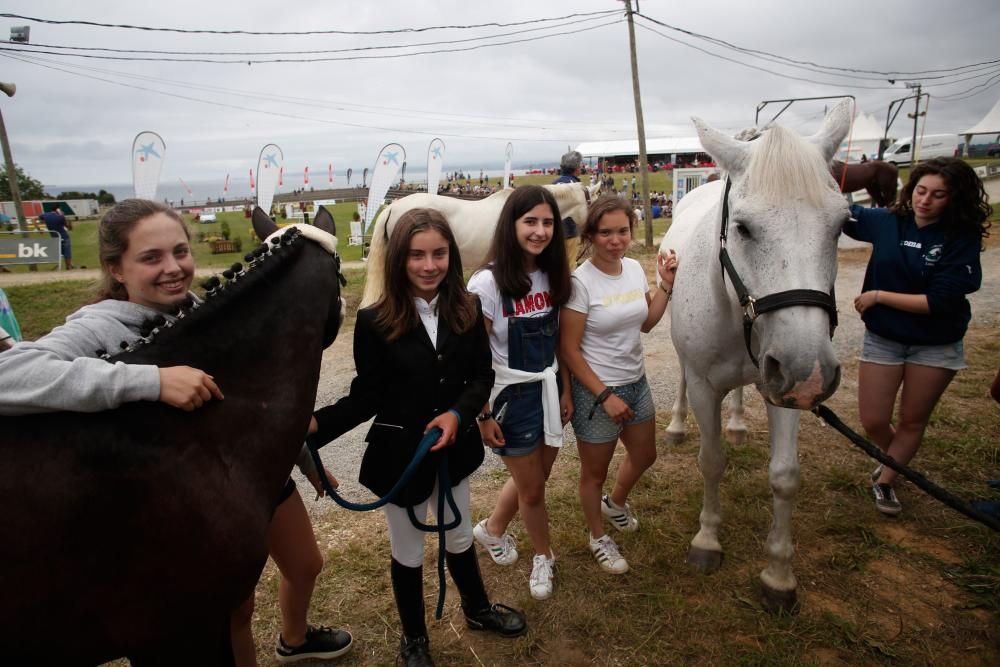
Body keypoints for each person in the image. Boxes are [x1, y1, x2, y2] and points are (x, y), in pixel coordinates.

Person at [0, 199, 351, 664]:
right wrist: (151, 380)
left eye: (180, 252)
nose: (172, 268)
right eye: (150, 258)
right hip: (173, 511)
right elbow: (9, 373)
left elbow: (253, 405)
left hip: (244, 479)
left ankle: (295, 639)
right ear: (116, 269)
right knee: (224, 610)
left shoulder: (206, 311)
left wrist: (305, 457)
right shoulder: (99, 326)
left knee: (293, 570)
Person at [308, 208, 526, 667]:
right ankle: (414, 638)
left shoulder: (467, 307)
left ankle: (478, 609)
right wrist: (314, 427)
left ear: (451, 255)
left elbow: (481, 376)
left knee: (460, 535)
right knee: (407, 550)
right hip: (400, 457)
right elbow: (365, 397)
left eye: (439, 254)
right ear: (398, 259)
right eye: (417, 255)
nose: (429, 265)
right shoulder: (373, 321)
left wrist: (457, 414)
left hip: (454, 450)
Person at [846, 157, 989, 516]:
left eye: (938, 195)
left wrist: (878, 296)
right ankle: (898, 459)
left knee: (913, 419)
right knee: (874, 419)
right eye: (921, 191)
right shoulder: (887, 222)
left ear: (954, 199)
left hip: (936, 342)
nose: (925, 201)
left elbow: (940, 301)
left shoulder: (961, 238)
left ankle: (886, 480)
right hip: (885, 336)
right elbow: (838, 214)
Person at [560, 195, 677, 574]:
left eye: (622, 231)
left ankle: (616, 504)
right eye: (606, 232)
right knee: (593, 474)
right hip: (597, 393)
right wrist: (604, 395)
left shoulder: (632, 270)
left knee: (645, 456)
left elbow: (646, 322)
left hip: (636, 382)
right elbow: (569, 349)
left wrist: (667, 286)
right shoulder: (580, 283)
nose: (616, 239)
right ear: (591, 235)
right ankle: (598, 537)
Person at [467, 186, 573, 601]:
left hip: (547, 392)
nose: (540, 231)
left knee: (537, 477)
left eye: (547, 222)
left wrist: (564, 389)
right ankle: (544, 555)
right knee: (532, 490)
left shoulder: (552, 275)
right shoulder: (487, 284)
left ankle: (492, 528)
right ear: (511, 226)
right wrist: (483, 413)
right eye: (530, 221)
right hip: (510, 399)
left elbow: (559, 342)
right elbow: (473, 359)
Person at [552, 150, 584, 267]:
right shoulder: (576, 186)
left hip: (554, 233)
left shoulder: (554, 183)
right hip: (570, 232)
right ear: (576, 168)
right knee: (570, 266)